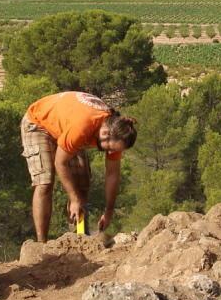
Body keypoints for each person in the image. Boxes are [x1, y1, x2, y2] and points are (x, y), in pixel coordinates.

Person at [21, 91, 137, 242]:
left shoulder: (115, 133)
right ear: (105, 132)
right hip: (38, 122)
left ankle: (78, 239)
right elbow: (60, 163)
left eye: (113, 150)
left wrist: (109, 211)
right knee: (45, 182)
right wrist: (74, 199)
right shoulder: (83, 126)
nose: (109, 152)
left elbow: (112, 175)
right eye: (107, 147)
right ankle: (41, 245)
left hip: (67, 128)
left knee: (82, 184)